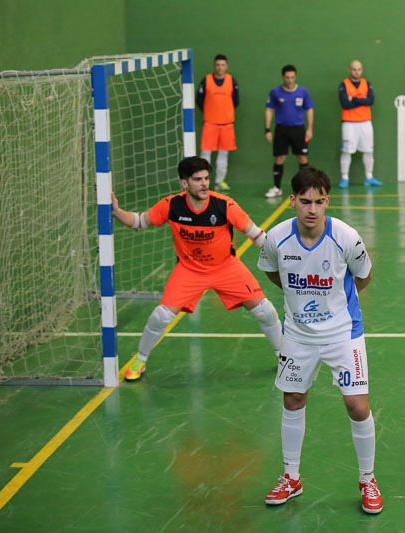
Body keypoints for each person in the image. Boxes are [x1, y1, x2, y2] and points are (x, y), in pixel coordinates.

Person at [257, 167, 382, 514]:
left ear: (328, 201)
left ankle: (368, 479)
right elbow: (272, 271)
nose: (311, 209)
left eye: (319, 201)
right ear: (292, 201)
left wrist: (334, 305)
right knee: (293, 400)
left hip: (343, 333)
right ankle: (291, 478)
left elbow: (364, 276)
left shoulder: (346, 237)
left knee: (357, 406)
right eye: (305, 201)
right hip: (298, 334)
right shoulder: (276, 238)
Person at [111, 157, 282, 381]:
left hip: (226, 267)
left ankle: (283, 356)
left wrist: (283, 257)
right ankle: (140, 360)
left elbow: (257, 235)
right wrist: (117, 211)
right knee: (160, 317)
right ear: (184, 183)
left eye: (206, 178)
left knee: (265, 310)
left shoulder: (224, 205)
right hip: (189, 270)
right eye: (197, 179)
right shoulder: (171, 205)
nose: (204, 184)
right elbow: (139, 222)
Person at [264, 65, 314, 198]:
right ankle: (277, 188)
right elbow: (269, 110)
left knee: (302, 157)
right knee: (279, 158)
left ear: (295, 76)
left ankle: (306, 189)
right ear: (283, 77)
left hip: (298, 129)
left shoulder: (303, 92)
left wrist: (309, 128)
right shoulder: (275, 92)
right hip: (281, 129)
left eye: (292, 77)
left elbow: (309, 109)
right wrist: (267, 129)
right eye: (287, 77)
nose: (290, 80)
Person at [196, 54, 239, 192]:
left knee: (223, 155)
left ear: (226, 66)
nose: (220, 67)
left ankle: (220, 181)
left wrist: (225, 113)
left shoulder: (232, 81)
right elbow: (199, 100)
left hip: (227, 124)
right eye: (218, 65)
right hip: (210, 123)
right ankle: (202, 182)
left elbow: (236, 101)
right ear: (214, 66)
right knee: (205, 155)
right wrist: (210, 112)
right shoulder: (206, 81)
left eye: (222, 65)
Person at [338, 60, 382, 188]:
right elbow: (345, 104)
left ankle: (369, 177)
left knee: (369, 150)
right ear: (349, 70)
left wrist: (353, 98)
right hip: (349, 124)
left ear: (362, 70)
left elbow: (371, 101)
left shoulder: (367, 84)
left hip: (365, 123)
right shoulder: (344, 85)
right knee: (347, 151)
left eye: (359, 69)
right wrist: (362, 100)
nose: (356, 72)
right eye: (354, 69)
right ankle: (344, 178)